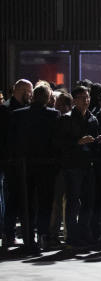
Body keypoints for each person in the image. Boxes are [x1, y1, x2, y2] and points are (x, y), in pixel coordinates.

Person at [9, 84, 59, 252]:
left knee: (27, 203)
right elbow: (54, 142)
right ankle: (43, 236)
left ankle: (28, 238)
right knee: (45, 203)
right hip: (46, 166)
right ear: (46, 98)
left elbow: (14, 141)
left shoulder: (18, 115)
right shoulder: (53, 115)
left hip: (25, 166)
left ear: (33, 97)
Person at [58, 86, 101, 248]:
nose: (86, 100)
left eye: (88, 97)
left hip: (88, 164)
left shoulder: (93, 119)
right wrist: (78, 142)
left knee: (88, 201)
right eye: (82, 97)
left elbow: (95, 145)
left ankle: (85, 232)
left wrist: (97, 141)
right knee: (73, 201)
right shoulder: (67, 119)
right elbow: (61, 143)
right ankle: (72, 235)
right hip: (73, 165)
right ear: (75, 100)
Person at [1, 79, 34, 249]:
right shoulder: (7, 110)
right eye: (29, 91)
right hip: (13, 162)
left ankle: (13, 233)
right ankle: (9, 233)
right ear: (21, 91)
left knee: (19, 198)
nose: (31, 95)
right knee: (13, 198)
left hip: (19, 160)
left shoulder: (13, 109)